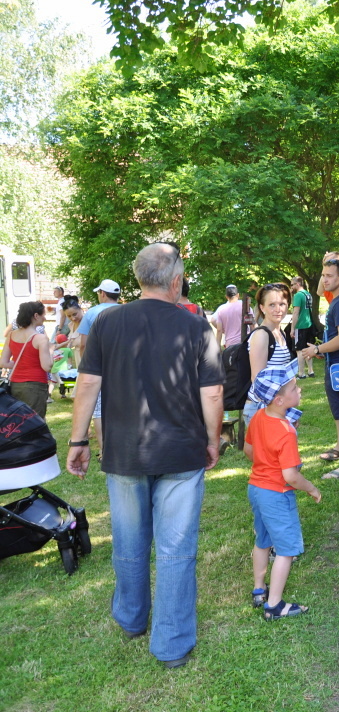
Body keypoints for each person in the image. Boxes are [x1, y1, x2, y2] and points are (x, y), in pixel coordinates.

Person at [66, 242, 224, 669]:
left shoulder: (107, 321)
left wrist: (78, 440)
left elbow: (87, 384)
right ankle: (171, 644)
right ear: (176, 282)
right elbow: (212, 393)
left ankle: (132, 619)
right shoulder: (197, 326)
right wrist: (213, 439)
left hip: (125, 450)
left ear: (139, 279)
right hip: (181, 450)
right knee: (176, 550)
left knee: (129, 541)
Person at [244, 359, 321, 620]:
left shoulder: (258, 417)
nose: (299, 390)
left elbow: (249, 450)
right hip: (277, 493)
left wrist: (266, 461)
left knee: (262, 540)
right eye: (294, 388)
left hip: (256, 488)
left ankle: (259, 590)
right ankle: (274, 605)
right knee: (286, 549)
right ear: (279, 400)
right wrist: (311, 488)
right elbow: (291, 476)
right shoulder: (286, 431)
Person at [299, 259, 339, 476]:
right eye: (323, 275)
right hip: (338, 365)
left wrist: (317, 349)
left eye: (329, 276)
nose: (324, 280)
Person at [77, 279, 122, 451]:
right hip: (123, 366)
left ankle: (105, 451)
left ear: (102, 293)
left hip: (99, 366)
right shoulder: (127, 311)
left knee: (99, 409)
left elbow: (83, 344)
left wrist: (86, 366)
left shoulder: (92, 313)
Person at [242, 283, 295, 426]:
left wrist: (288, 409)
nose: (278, 309)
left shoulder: (280, 333)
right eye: (272, 305)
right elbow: (258, 380)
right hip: (262, 408)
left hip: (278, 406)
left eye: (282, 304)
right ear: (262, 307)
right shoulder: (261, 335)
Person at [0, 301, 53, 417]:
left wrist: (22, 364)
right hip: (36, 385)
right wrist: (52, 351)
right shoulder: (40, 338)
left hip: (15, 384)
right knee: (35, 421)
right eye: (43, 314)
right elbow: (47, 366)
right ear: (36, 316)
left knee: (18, 421)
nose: (45, 318)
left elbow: (3, 362)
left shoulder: (11, 335)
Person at [290, 277, 315, 379]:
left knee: (299, 350)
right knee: (308, 348)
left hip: (300, 325)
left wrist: (292, 328)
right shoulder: (308, 294)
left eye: (292, 284)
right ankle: (311, 371)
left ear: (298, 284)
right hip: (308, 324)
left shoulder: (298, 295)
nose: (291, 287)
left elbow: (296, 312)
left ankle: (301, 373)